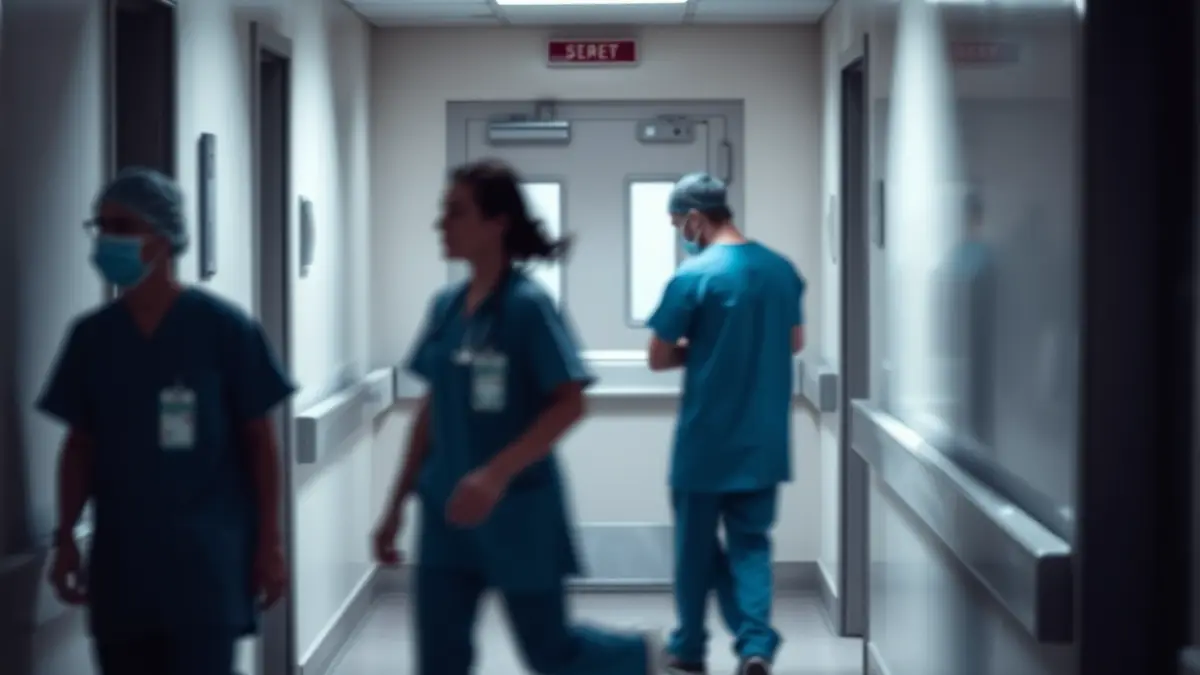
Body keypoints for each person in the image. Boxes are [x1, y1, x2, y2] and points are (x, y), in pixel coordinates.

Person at [371, 158, 664, 675]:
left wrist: (494, 475)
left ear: (497, 222)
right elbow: (430, 410)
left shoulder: (528, 307)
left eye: (456, 212)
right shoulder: (444, 308)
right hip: (446, 514)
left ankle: (639, 658)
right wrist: (396, 503)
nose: (441, 224)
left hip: (518, 511)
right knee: (438, 660)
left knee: (551, 654)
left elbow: (571, 402)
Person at [38, 168, 296, 675]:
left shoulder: (225, 329)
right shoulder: (92, 337)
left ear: (163, 237)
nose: (108, 238)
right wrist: (65, 537)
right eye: (101, 225)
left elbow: (260, 443)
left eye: (123, 226)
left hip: (208, 563)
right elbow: (79, 446)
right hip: (123, 564)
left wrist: (270, 544)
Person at [645, 173, 805, 675]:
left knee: (694, 550)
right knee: (752, 546)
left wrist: (703, 350)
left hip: (705, 443)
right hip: (763, 441)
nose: (680, 233)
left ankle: (690, 649)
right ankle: (754, 645)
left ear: (695, 217)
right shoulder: (782, 271)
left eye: (678, 223)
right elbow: (795, 342)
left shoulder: (693, 277)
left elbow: (658, 355)